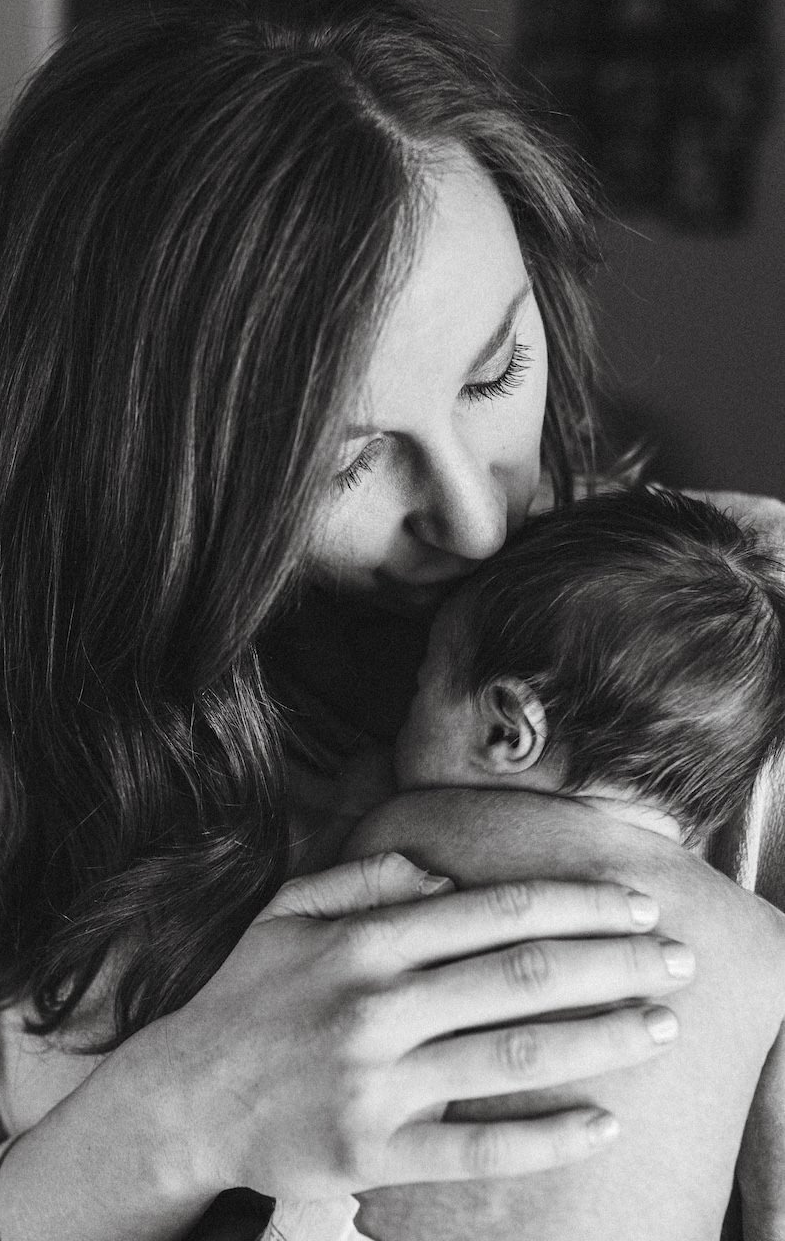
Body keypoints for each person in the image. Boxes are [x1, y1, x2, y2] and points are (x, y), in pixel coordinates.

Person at [0, 0, 778, 1240]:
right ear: (141, 484)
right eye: (340, 460)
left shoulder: (750, 639)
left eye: (495, 370)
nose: (480, 519)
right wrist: (171, 1117)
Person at [277, 487, 785, 1240]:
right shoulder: (764, 942)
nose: (403, 713)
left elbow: (284, 971)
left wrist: (354, 802)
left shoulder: (416, 828)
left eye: (422, 684)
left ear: (508, 730)